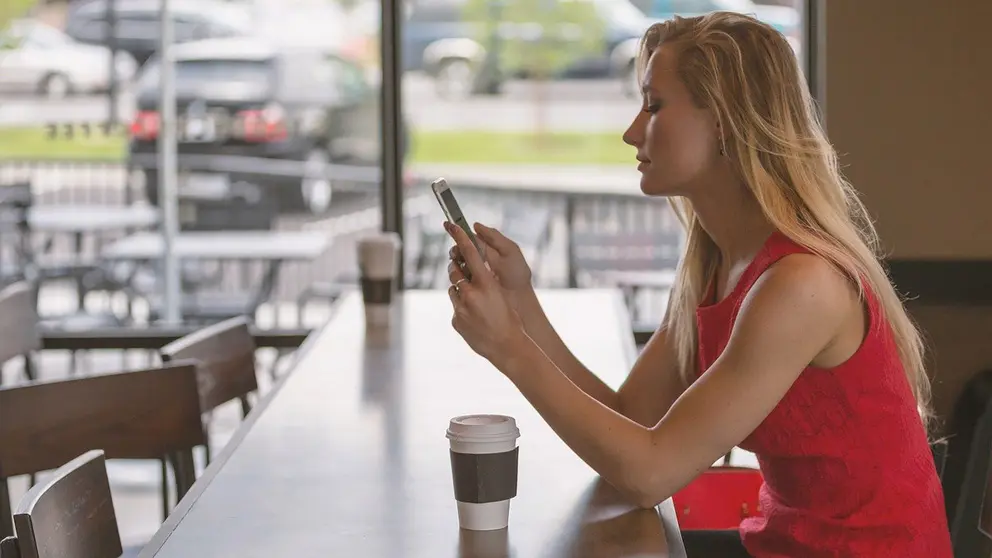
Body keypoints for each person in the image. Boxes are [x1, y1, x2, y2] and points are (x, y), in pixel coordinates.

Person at [442, 10, 953, 558]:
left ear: (725, 123)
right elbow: (634, 421)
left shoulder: (802, 283)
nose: (631, 131)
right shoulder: (716, 266)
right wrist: (521, 308)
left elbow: (649, 473)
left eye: (654, 105)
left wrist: (510, 349)